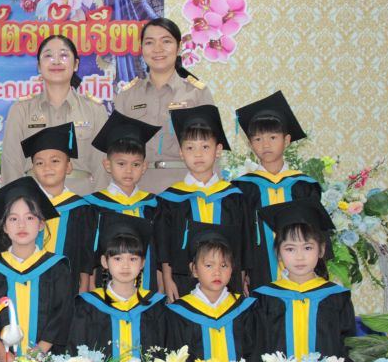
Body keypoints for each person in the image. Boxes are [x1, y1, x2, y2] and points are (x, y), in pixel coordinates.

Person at [112, 18, 215, 194]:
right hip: (138, 190)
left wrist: (211, 192)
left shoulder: (196, 93)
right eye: (149, 42)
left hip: (186, 187)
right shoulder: (127, 96)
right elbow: (115, 151)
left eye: (166, 41)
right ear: (141, 48)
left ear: (179, 47)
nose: (157, 49)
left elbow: (211, 148)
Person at [155, 105, 246, 302]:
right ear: (181, 152)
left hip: (227, 282)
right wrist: (167, 279)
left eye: (205, 147)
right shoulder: (170, 200)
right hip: (182, 282)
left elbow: (241, 245)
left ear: (218, 150)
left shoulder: (233, 198)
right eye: (190, 148)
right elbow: (164, 245)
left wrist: (242, 278)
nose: (198, 154)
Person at [253, 200, 355, 362]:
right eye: (290, 249)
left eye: (307, 248)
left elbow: (347, 349)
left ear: (321, 250)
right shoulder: (265, 298)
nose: (299, 257)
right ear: (278, 253)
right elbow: (257, 351)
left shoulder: (337, 297)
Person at [0, 177, 72, 362]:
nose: (21, 225)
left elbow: (61, 314)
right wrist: (0, 353)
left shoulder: (56, 267)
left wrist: (40, 351)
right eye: (13, 219)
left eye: (30, 218)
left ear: (41, 224)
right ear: (4, 226)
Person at [232, 91, 321, 290]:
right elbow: (240, 235)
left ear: (287, 140)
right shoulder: (242, 188)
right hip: (259, 272)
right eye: (257, 139)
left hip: (303, 276)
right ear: (250, 144)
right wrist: (241, 273)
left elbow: (317, 234)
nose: (265, 145)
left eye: (273, 137)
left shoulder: (304, 186)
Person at [1, 34, 108, 195]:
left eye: (64, 55)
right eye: (48, 56)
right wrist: (16, 203)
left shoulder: (95, 110)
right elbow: (11, 166)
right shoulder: (21, 110)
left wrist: (100, 206)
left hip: (82, 201)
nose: (56, 61)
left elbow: (103, 168)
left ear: (76, 64)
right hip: (35, 201)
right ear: (39, 66)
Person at [73, 111, 162, 292]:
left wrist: (161, 287)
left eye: (135, 164)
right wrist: (90, 287)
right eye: (121, 164)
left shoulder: (153, 205)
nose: (128, 171)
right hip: (104, 292)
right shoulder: (93, 206)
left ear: (144, 167)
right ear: (107, 165)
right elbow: (88, 252)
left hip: (147, 291)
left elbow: (159, 251)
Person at [69, 213, 166, 362]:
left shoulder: (156, 306)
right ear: (104, 262)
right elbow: (76, 356)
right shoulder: (88, 306)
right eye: (117, 258)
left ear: (142, 263)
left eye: (133, 259)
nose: (125, 266)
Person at [165, 222, 261, 362]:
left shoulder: (245, 309)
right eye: (209, 265)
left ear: (232, 269)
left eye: (224, 265)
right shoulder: (179, 313)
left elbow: (254, 356)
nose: (217, 272)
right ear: (194, 269)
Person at [18, 123, 84, 289]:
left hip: (68, 289)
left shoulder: (82, 209)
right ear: (33, 169)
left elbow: (86, 260)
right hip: (29, 289)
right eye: (39, 163)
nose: (47, 167)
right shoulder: (23, 208)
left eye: (55, 161)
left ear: (68, 167)